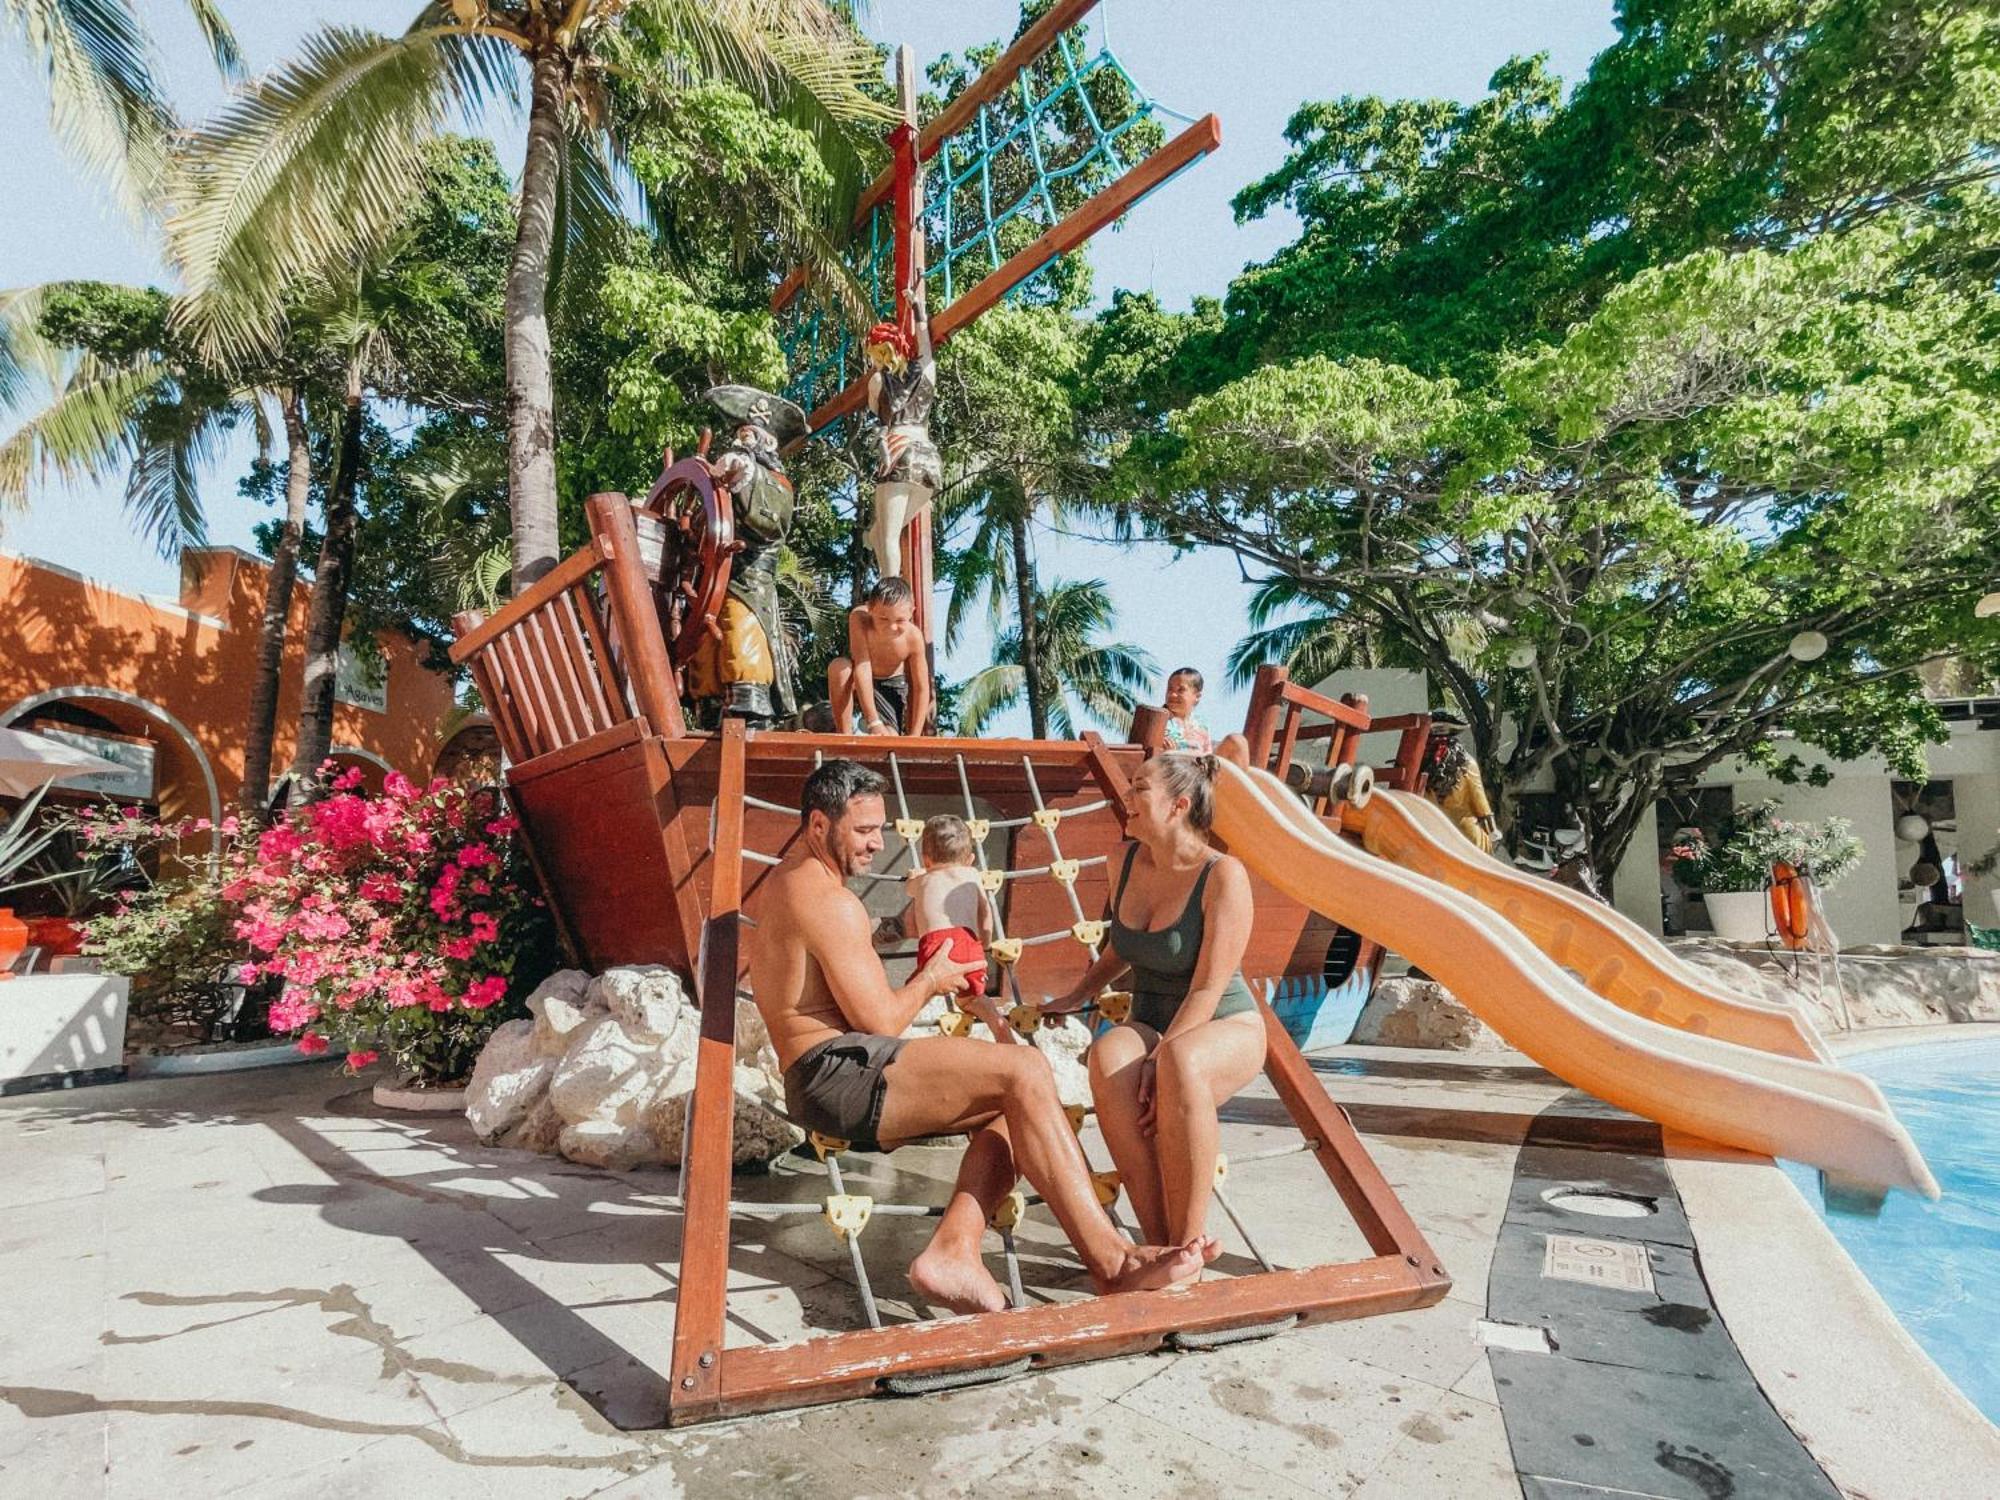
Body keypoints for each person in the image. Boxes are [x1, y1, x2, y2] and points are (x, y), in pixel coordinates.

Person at [748, 759, 1219, 1314]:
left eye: (879, 828)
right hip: (837, 1073)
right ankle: (1114, 1264)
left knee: (1019, 1107)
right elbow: (881, 1021)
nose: (877, 843)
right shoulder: (829, 901)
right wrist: (932, 978)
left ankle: (954, 1250)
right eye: (864, 830)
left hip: (833, 1070)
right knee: (1025, 1069)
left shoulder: (796, 883)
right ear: (818, 825)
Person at [1047, 753, 1266, 1250]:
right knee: (1107, 1056)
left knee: (1181, 1063)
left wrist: (1160, 1057)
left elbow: (1207, 988)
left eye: (1140, 788)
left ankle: (1188, 1246)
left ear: (1178, 805)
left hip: (1222, 1023)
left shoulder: (1223, 875)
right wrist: (1077, 995)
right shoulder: (1121, 861)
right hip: (1151, 1019)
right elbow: (1120, 949)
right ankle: (1159, 1245)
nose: (1127, 797)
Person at [685, 384, 807, 726]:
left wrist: (746, 476)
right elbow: (702, 529)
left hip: (748, 586)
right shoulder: (721, 487)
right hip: (709, 588)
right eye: (740, 435)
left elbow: (768, 522)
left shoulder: (777, 486)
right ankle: (709, 714)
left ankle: (750, 717)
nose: (742, 442)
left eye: (749, 435)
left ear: (768, 443)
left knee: (742, 642)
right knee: (705, 656)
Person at [862, 281, 941, 582]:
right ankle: (890, 583)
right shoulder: (927, 371)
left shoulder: (877, 381)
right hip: (929, 462)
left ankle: (890, 590)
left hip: (898, 453)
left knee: (887, 537)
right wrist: (917, 307)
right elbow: (925, 340)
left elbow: (874, 409)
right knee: (877, 534)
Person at [905, 814, 1009, 1039]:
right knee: (972, 998)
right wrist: (985, 943)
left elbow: (909, 889)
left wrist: (915, 876)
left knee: (917, 992)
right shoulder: (973, 875)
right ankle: (1001, 1031)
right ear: (970, 859)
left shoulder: (923, 880)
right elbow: (985, 914)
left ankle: (897, 1027)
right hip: (969, 942)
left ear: (926, 860)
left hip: (937, 946)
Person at [826, 576, 932, 735]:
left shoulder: (914, 638)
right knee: (840, 668)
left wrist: (915, 736)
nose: (892, 627)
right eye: (883, 619)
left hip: (889, 685)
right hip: (858, 678)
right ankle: (845, 735)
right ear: (870, 608)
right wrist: (873, 721)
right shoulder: (859, 618)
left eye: (900, 620)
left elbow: (921, 688)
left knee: (888, 737)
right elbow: (862, 665)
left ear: (911, 612)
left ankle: (890, 729)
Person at [1161, 668, 1214, 753]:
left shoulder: (1201, 725)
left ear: (1197, 696)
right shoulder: (1157, 720)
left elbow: (1208, 756)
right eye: (1170, 689)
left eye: (1180, 690)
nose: (1173, 694)